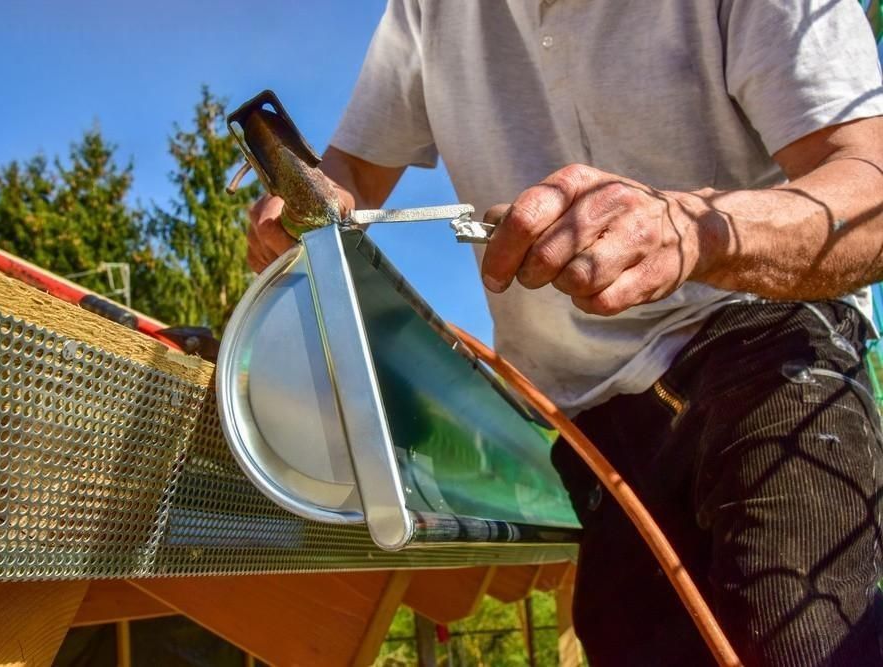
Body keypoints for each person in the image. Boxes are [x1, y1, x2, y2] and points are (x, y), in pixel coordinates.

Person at [247, 1, 883, 664]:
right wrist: (308, 203)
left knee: (801, 642)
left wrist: (692, 230)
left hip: (765, 350)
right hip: (592, 423)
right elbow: (350, 176)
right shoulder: (426, 11)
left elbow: (871, 195)